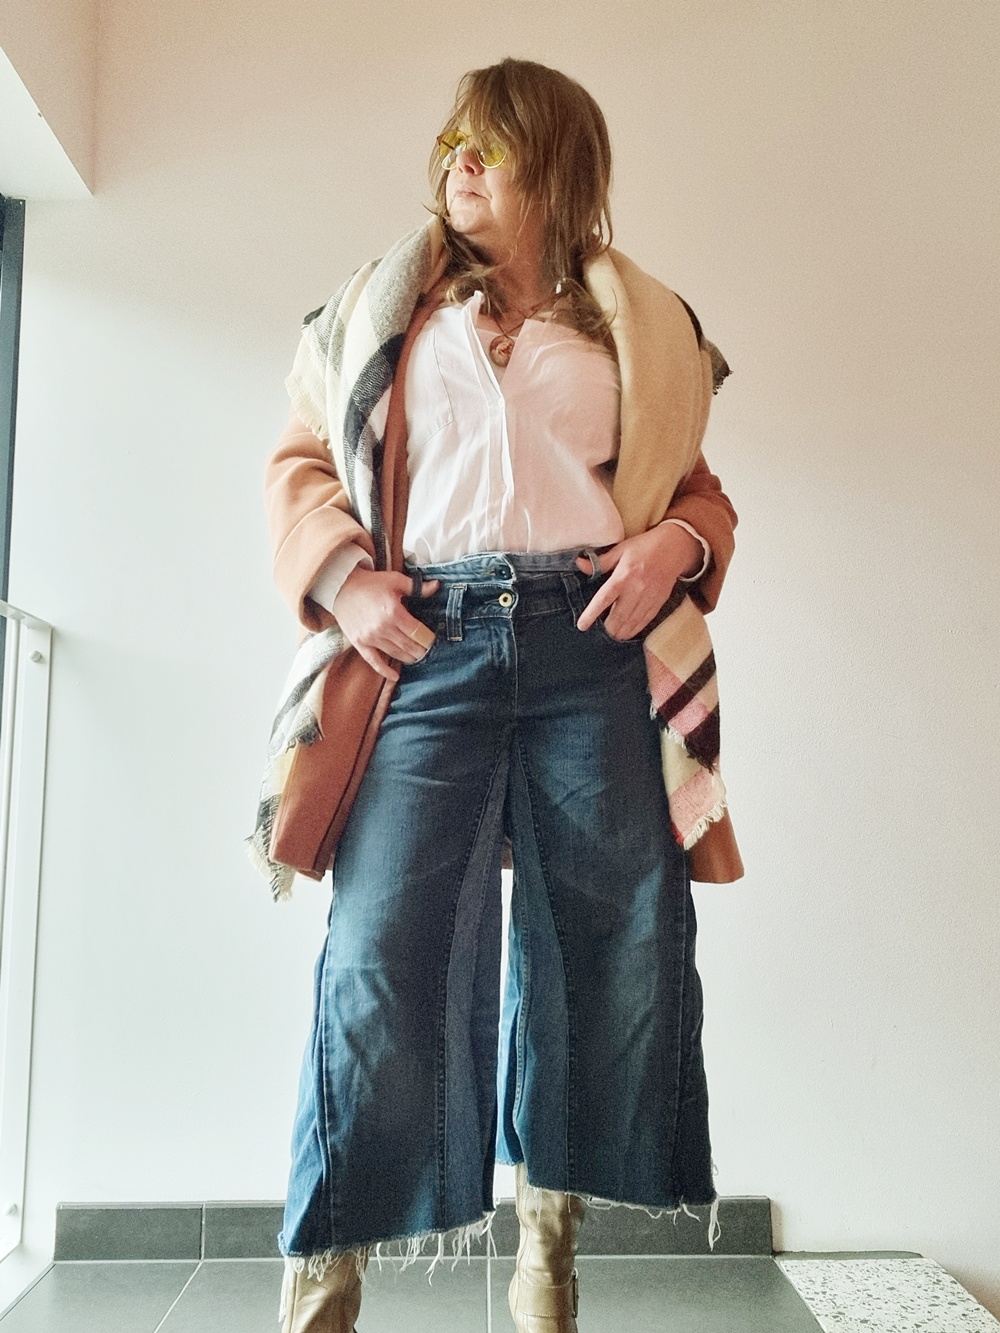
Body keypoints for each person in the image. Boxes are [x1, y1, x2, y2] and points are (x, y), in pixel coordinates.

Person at [259, 57, 742, 1333]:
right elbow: (303, 461)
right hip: (428, 640)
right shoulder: (380, 311)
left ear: (556, 167)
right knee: (381, 953)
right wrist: (345, 583)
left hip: (593, 644)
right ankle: (328, 1276)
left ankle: (547, 1250)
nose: (459, 165)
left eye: (491, 145)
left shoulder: (639, 325)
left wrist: (673, 547)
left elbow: (698, 495)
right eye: (452, 145)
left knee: (602, 946)